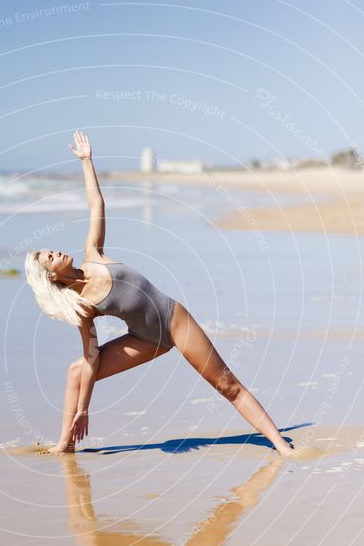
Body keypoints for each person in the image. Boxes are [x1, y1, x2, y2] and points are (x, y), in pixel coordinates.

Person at [25, 130, 294, 456]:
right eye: (50, 258)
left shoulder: (92, 254)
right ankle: (65, 444)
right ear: (51, 277)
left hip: (173, 321)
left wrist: (87, 161)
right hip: (144, 340)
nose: (56, 252)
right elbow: (92, 356)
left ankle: (281, 444)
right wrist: (84, 407)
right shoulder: (82, 306)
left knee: (226, 385)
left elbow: (97, 202)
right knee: (77, 370)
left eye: (51, 251)